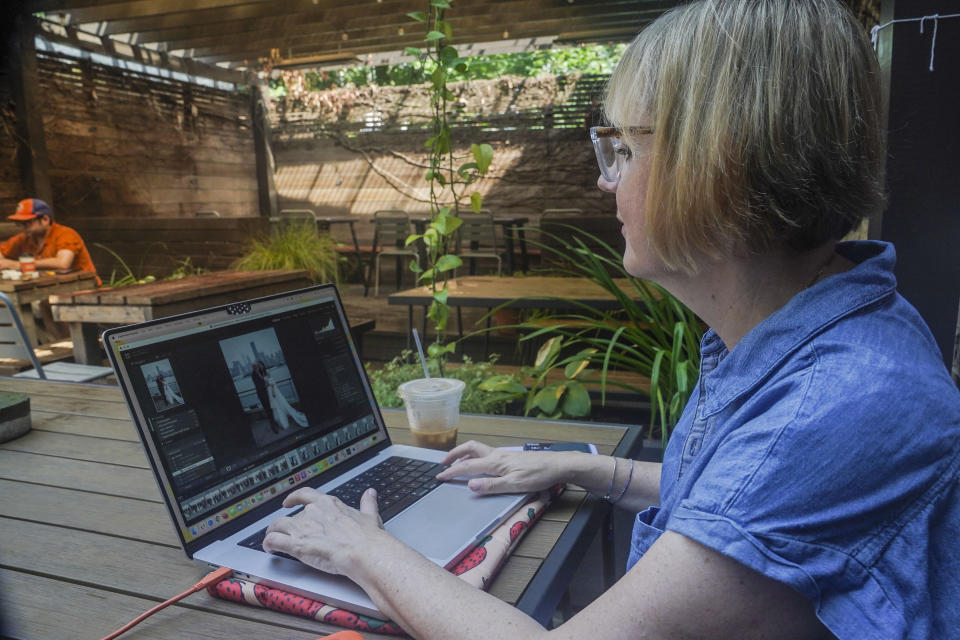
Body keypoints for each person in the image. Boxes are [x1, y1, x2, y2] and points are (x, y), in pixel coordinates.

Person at [263, 2, 960, 638]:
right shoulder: (818, 335)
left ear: (717, 165)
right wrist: (574, 465)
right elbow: (740, 500)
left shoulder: (832, 406)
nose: (605, 178)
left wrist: (364, 549)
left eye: (624, 150)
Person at [0, 199, 98, 279]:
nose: (22, 227)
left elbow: (63, 263)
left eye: (27, 222)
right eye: (19, 223)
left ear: (45, 220)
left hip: (83, 289)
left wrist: (18, 265)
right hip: (49, 288)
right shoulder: (24, 238)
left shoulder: (65, 234)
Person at [251, 361, 281, 434]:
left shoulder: (261, 372)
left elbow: (267, 379)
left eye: (257, 366)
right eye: (255, 366)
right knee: (268, 410)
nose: (256, 367)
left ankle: (274, 422)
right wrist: (266, 385)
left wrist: (269, 386)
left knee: (271, 409)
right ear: (253, 367)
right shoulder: (253, 374)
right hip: (262, 395)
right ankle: (273, 427)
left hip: (268, 394)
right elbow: (258, 385)